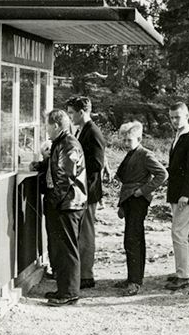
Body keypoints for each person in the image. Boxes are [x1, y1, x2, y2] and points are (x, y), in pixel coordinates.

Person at [37, 110, 87, 306]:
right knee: (61, 249)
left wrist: (53, 201)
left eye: (47, 125)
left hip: (68, 205)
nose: (46, 129)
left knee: (67, 249)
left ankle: (69, 293)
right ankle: (64, 289)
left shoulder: (68, 144)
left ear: (56, 125)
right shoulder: (61, 143)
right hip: (64, 203)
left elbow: (65, 179)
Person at [113, 121, 168, 296]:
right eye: (124, 139)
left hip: (137, 200)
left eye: (129, 140)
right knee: (130, 239)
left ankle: (135, 282)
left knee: (133, 238)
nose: (126, 143)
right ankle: (133, 277)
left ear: (139, 138)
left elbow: (163, 174)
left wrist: (143, 191)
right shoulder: (131, 153)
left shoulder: (145, 154)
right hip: (129, 199)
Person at [66, 97, 106, 289]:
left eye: (72, 113)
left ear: (82, 112)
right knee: (82, 232)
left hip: (88, 190)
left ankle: (86, 275)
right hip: (82, 189)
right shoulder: (82, 130)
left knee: (86, 232)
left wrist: (76, 165)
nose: (70, 117)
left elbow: (97, 164)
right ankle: (81, 272)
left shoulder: (93, 132)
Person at [165, 102, 189, 290]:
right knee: (187, 232)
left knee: (178, 232)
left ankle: (183, 276)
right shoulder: (179, 136)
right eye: (171, 117)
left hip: (184, 194)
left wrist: (186, 195)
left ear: (187, 115)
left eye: (177, 117)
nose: (174, 120)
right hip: (177, 192)